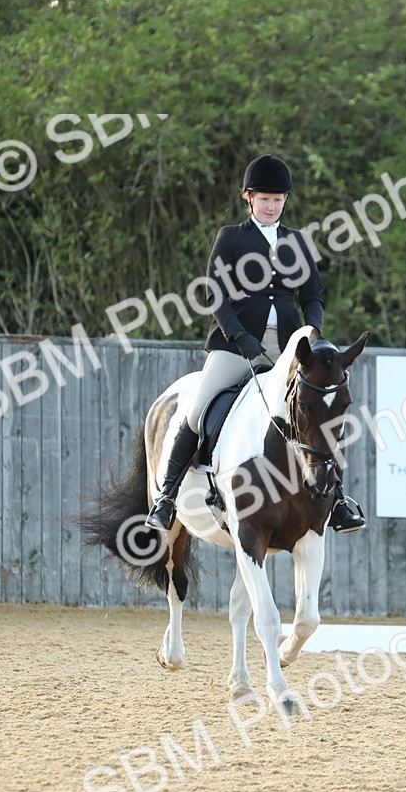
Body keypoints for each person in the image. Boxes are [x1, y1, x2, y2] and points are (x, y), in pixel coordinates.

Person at [145, 153, 366, 533]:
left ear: (285, 201)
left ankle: (339, 500)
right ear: (248, 198)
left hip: (289, 347)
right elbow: (217, 295)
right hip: (236, 344)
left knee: (320, 410)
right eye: (264, 198)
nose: (271, 206)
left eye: (278, 199)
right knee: (197, 411)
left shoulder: (297, 241)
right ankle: (166, 497)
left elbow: (313, 295)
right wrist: (241, 339)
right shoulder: (231, 238)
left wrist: (309, 334)